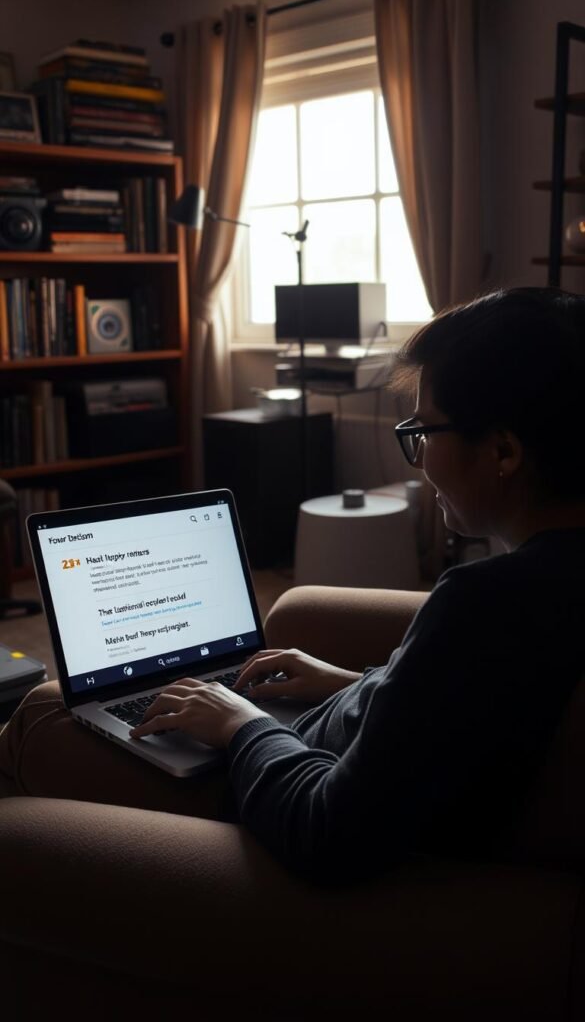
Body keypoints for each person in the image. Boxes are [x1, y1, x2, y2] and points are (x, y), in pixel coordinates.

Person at [1, 286, 584, 885]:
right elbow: (457, 710)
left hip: (271, 797)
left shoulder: (482, 605)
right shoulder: (545, 591)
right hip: (317, 748)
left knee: (41, 718)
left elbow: (325, 833)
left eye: (423, 432)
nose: (421, 459)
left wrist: (237, 724)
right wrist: (356, 684)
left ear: (504, 451)